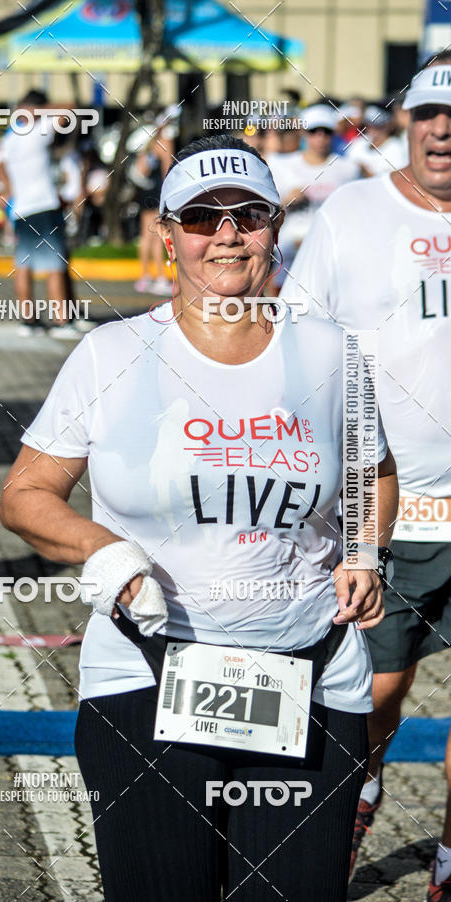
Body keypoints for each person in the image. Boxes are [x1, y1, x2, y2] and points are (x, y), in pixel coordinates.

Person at [0, 133, 398, 901]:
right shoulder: (111, 353)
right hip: (145, 677)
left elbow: (373, 474)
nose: (226, 234)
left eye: (247, 214)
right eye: (201, 217)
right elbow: (25, 495)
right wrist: (107, 554)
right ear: (167, 232)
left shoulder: (333, 354)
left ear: (276, 227)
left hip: (311, 680)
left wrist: (364, 552)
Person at [282, 55, 451, 899]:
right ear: (406, 122)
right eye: (429, 113)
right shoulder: (352, 212)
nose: (445, 129)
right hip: (391, 512)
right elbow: (302, 347)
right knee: (376, 697)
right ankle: (359, 798)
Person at [0, 90, 79, 339]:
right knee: (55, 265)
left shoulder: (10, 139)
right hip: (43, 206)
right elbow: (70, 108)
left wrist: (9, 189)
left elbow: (0, 167)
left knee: (24, 265)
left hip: (21, 209)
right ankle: (61, 323)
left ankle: (28, 321)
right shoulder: (38, 131)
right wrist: (39, 111)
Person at [265, 103, 360, 294]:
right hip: (289, 251)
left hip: (331, 249)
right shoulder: (280, 165)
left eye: (326, 132)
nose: (320, 137)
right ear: (303, 133)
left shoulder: (348, 168)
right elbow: (266, 211)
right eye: (314, 131)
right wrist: (286, 201)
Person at [131, 119, 174, 296]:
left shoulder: (147, 147)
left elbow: (142, 171)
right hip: (157, 193)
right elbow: (167, 170)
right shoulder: (164, 143)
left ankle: (145, 276)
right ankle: (161, 278)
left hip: (145, 194)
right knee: (157, 237)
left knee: (146, 236)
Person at [345, 103, 408, 177]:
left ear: (388, 125)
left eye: (378, 125)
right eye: (369, 124)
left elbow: (394, 180)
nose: (372, 129)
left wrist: (366, 172)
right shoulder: (359, 142)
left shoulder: (396, 149)